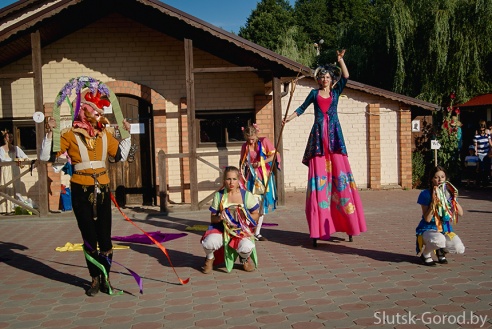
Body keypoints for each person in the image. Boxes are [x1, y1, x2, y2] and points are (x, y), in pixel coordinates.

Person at [40, 78, 131, 297]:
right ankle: (94, 279)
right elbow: (46, 157)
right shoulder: (69, 135)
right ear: (86, 113)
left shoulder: (105, 136)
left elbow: (119, 156)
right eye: (97, 113)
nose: (101, 117)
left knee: (106, 238)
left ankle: (106, 278)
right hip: (81, 190)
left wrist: (127, 134)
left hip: (102, 190)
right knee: (89, 238)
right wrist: (50, 134)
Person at [283, 49, 366, 247]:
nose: (325, 79)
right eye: (322, 77)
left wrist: (340, 60)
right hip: (319, 141)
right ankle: (319, 228)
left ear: (331, 79)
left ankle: (347, 223)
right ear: (319, 80)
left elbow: (346, 76)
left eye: (328, 76)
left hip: (335, 139)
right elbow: (301, 109)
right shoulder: (314, 94)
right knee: (319, 184)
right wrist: (288, 118)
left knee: (341, 180)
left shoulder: (337, 92)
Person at [201, 166, 260, 273]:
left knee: (247, 246)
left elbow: (256, 214)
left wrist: (246, 218)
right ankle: (210, 258)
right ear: (224, 181)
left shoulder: (246, 195)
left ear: (239, 181)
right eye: (228, 179)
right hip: (221, 229)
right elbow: (212, 218)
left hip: (240, 230)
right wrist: (219, 218)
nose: (231, 182)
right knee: (208, 242)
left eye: (234, 179)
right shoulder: (219, 195)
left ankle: (244, 259)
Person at [415, 166, 465, 266]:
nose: (439, 180)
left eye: (442, 177)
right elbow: (427, 218)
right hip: (428, 229)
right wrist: (433, 203)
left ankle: (440, 251)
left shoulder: (448, 193)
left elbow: (460, 213)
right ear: (431, 179)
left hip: (445, 229)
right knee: (439, 240)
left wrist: (453, 200)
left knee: (459, 248)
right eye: (436, 177)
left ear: (445, 178)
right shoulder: (425, 194)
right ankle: (425, 254)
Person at [239, 124, 280, 241]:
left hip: (264, 177)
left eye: (252, 138)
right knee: (250, 203)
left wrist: (261, 162)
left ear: (256, 135)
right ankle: (247, 230)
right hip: (251, 178)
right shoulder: (245, 146)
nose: (251, 141)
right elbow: (242, 162)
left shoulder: (264, 141)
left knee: (262, 205)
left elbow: (274, 156)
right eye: (248, 139)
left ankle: (257, 232)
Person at [0, 131, 29, 214]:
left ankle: (14, 208)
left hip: (15, 169)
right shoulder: (1, 149)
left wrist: (21, 160)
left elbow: (24, 156)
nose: (11, 139)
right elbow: (2, 159)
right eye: (9, 137)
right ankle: (5, 209)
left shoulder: (16, 148)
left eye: (12, 137)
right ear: (5, 138)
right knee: (7, 186)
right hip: (6, 170)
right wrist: (14, 160)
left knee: (15, 187)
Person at [473, 120, 491, 187]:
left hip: (486, 153)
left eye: (483, 130)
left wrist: (490, 152)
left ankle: (485, 182)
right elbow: (476, 145)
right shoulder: (476, 136)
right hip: (480, 153)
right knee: (480, 168)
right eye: (481, 130)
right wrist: (476, 153)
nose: (482, 131)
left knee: (487, 168)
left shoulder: (487, 135)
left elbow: (490, 143)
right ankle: (478, 182)